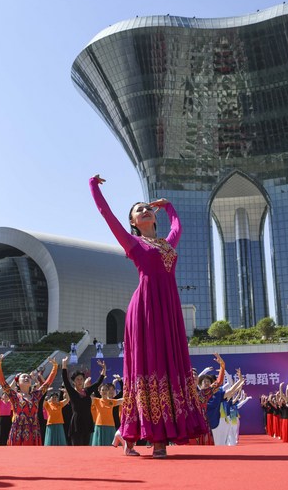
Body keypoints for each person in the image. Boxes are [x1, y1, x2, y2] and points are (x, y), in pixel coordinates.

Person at [90, 175, 210, 458]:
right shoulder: (132, 243)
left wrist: (169, 207)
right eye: (138, 210)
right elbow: (106, 215)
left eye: (147, 208)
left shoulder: (168, 244)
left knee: (169, 366)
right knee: (149, 366)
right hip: (144, 310)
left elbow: (178, 226)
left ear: (154, 217)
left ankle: (129, 435)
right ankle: (152, 438)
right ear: (133, 222)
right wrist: (93, 186)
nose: (144, 211)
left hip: (168, 309)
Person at [0, 355, 58, 446]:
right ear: (18, 383)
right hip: (17, 431)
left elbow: (48, 383)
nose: (27, 378)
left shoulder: (36, 395)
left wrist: (55, 367)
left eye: (28, 377)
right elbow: (2, 382)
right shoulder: (14, 396)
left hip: (33, 431)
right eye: (23, 377)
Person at [61, 357, 106, 446]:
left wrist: (104, 369)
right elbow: (65, 381)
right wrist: (64, 365)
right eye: (77, 379)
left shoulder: (87, 391)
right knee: (77, 448)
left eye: (81, 379)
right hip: (77, 423)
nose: (80, 381)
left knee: (86, 448)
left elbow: (98, 383)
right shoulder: (72, 392)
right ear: (73, 382)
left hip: (87, 421)